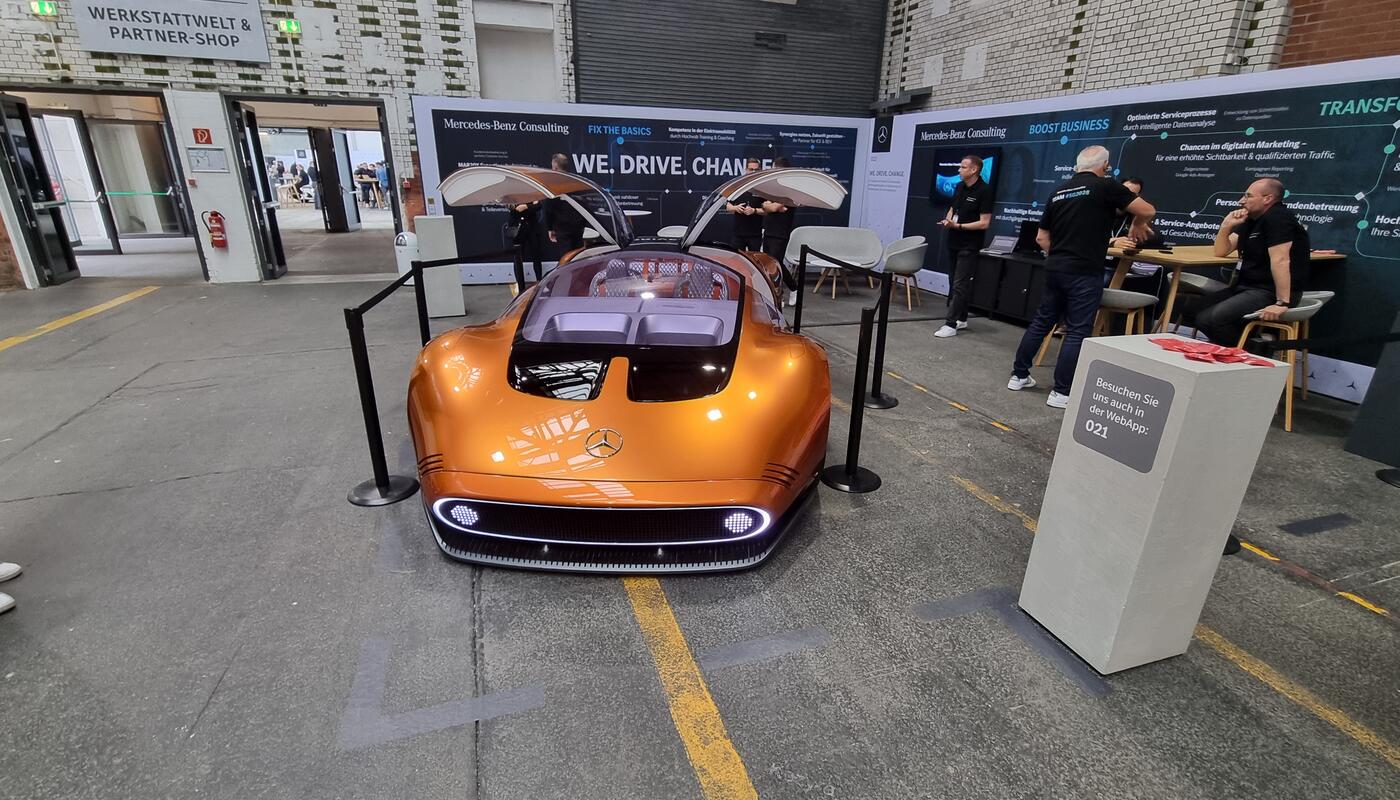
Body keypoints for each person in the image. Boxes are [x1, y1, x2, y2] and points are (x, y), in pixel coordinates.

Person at [1008, 145, 1155, 408]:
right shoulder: (1107, 187)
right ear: (1106, 166)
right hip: (1085, 270)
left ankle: (1018, 376)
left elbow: (1042, 238)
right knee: (1077, 329)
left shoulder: (1058, 192)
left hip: (1055, 267)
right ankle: (1061, 392)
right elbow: (1148, 210)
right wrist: (1138, 223)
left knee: (1042, 322)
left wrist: (1063, 254)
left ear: (1077, 166)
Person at [1195, 177, 1309, 347]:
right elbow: (1221, 251)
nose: (1241, 201)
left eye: (1248, 196)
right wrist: (1226, 226)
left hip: (1268, 291)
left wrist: (1282, 302)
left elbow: (1281, 260)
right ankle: (1248, 345)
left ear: (1267, 198)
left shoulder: (1278, 218)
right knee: (1196, 310)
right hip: (1247, 287)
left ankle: (1260, 353)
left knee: (1212, 319)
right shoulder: (1252, 219)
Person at [934, 154, 994, 338]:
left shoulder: (985, 191)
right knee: (954, 282)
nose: (959, 170)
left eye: (963, 167)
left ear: (974, 169)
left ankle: (950, 324)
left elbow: (985, 223)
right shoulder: (959, 187)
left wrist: (959, 225)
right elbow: (953, 208)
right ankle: (962, 318)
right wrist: (949, 219)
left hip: (969, 244)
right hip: (953, 240)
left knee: (960, 284)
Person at [761, 157, 798, 302]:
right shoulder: (775, 188)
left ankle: (790, 289)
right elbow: (766, 205)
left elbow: (773, 206)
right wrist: (769, 205)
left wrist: (771, 205)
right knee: (768, 264)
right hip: (769, 230)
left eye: (774, 168)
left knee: (776, 265)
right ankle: (776, 293)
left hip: (781, 233)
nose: (772, 171)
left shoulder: (790, 189)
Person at [543, 153, 586, 253]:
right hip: (578, 229)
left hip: (563, 230)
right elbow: (584, 204)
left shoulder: (553, 185)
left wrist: (549, 228)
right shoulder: (576, 182)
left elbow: (547, 208)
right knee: (577, 257)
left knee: (566, 259)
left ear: (555, 166)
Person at [726, 156, 765, 251]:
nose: (753, 172)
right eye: (751, 169)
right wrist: (736, 208)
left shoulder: (763, 188)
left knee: (754, 262)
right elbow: (728, 206)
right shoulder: (738, 186)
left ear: (760, 170)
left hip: (755, 234)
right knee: (737, 262)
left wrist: (754, 210)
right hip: (738, 234)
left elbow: (767, 211)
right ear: (746, 170)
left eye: (756, 170)